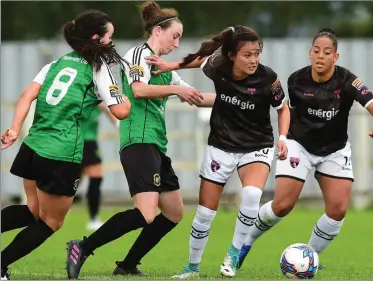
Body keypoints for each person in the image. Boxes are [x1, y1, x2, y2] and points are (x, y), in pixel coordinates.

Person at [65, 2, 214, 279]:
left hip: (155, 144)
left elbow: (195, 95)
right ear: (158, 31)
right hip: (138, 140)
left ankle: (127, 265)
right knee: (145, 213)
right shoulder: (139, 54)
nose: (177, 44)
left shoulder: (164, 67)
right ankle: (82, 246)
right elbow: (139, 89)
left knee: (173, 212)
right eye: (175, 36)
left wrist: (238, 100)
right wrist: (175, 90)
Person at [236, 28, 373, 270]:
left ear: (335, 57)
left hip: (335, 149)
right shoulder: (296, 80)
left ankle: (309, 258)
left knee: (338, 210)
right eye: (316, 51)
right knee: (282, 205)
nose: (320, 56)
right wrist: (285, 139)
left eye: (326, 52)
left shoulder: (349, 81)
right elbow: (289, 112)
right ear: (309, 54)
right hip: (300, 146)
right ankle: (244, 245)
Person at [145, 25, 290, 278]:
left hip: (257, 146)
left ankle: (233, 254)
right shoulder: (218, 67)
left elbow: (283, 108)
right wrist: (170, 66)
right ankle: (192, 267)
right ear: (232, 55)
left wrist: (284, 137)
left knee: (253, 194)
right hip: (220, 146)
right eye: (248, 54)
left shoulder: (269, 78)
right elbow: (198, 60)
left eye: (257, 54)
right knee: (205, 213)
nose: (254, 60)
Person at [0, 10, 130, 280]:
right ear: (96, 38)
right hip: (60, 153)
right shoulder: (98, 69)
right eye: (110, 37)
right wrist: (126, 94)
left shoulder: (56, 63)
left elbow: (27, 95)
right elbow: (121, 112)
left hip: (32, 145)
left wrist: (14, 128)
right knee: (50, 222)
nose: (111, 42)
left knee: (32, 211)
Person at [80, 102, 119, 231]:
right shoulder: (79, 94)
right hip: (74, 141)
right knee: (69, 182)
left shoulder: (100, 97)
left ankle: (94, 218)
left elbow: (115, 115)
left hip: (90, 142)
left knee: (96, 177)